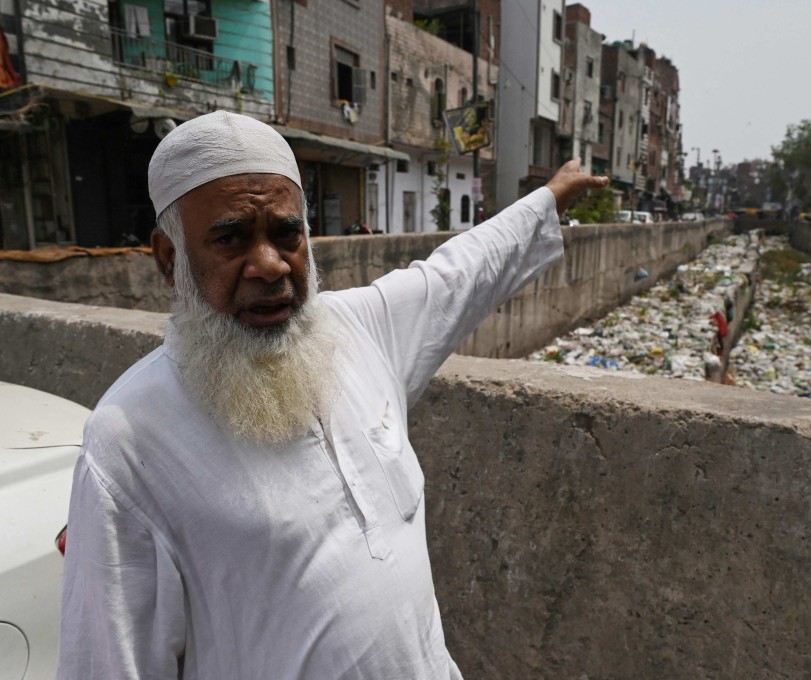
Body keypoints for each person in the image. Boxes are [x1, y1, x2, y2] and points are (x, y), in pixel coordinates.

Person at [56, 110, 608, 679]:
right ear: (170, 259)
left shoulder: (356, 329)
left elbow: (462, 271)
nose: (269, 265)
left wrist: (551, 195)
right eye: (230, 238)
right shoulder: (127, 439)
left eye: (286, 232)